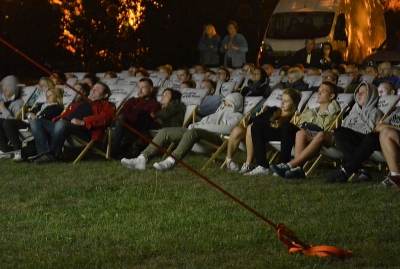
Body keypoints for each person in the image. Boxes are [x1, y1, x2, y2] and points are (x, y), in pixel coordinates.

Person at [120, 92, 243, 171]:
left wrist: (200, 127)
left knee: (192, 132)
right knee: (165, 132)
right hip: (196, 132)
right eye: (224, 102)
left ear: (234, 104)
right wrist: (197, 125)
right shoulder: (217, 113)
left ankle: (171, 161)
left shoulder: (237, 116)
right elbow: (202, 122)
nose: (224, 105)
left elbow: (229, 129)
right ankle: (142, 159)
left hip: (215, 138)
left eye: (228, 103)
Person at [30, 82, 115, 163]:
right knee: (36, 122)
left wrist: (83, 122)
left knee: (61, 124)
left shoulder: (108, 105)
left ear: (105, 95)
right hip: (64, 126)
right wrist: (56, 119)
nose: (93, 90)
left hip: (83, 131)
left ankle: (53, 155)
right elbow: (65, 115)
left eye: (97, 89)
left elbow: (106, 118)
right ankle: (44, 154)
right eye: (93, 88)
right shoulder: (80, 102)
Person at [271, 81, 341, 177]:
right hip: (302, 132)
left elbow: (326, 129)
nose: (319, 93)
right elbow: (298, 123)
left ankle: (290, 166)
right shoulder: (311, 111)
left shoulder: (333, 111)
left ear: (332, 96)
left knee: (297, 131)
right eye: (318, 90)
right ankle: (295, 168)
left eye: (323, 91)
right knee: (292, 129)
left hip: (315, 135)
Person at [225, 89, 301, 175]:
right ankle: (259, 165)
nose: (282, 103)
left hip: (281, 134)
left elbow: (294, 130)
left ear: (294, 103)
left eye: (286, 101)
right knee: (250, 127)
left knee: (255, 127)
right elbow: (256, 120)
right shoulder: (273, 110)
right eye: (282, 100)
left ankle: (276, 166)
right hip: (262, 133)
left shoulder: (295, 117)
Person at [326, 82, 382, 183]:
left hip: (366, 139)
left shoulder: (376, 113)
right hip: (353, 140)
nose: (359, 94)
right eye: (358, 92)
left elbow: (374, 132)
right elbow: (345, 127)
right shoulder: (353, 111)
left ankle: (348, 170)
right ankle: (361, 169)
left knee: (342, 134)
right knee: (339, 131)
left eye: (363, 93)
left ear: (371, 95)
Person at [110, 78, 161, 158]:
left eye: (143, 87)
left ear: (151, 89)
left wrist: (132, 113)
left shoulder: (154, 104)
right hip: (124, 125)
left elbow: (146, 118)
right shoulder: (132, 100)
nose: (140, 90)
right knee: (119, 118)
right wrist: (134, 113)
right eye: (139, 87)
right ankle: (113, 150)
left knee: (122, 118)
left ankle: (114, 151)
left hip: (137, 128)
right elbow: (121, 112)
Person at [0, 75, 24, 159]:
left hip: (14, 126)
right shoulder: (4, 100)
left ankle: (16, 151)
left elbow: (15, 121)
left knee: (4, 122)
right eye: (4, 87)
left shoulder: (18, 102)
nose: (5, 89)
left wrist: (3, 109)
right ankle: (4, 150)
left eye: (8, 87)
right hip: (5, 128)